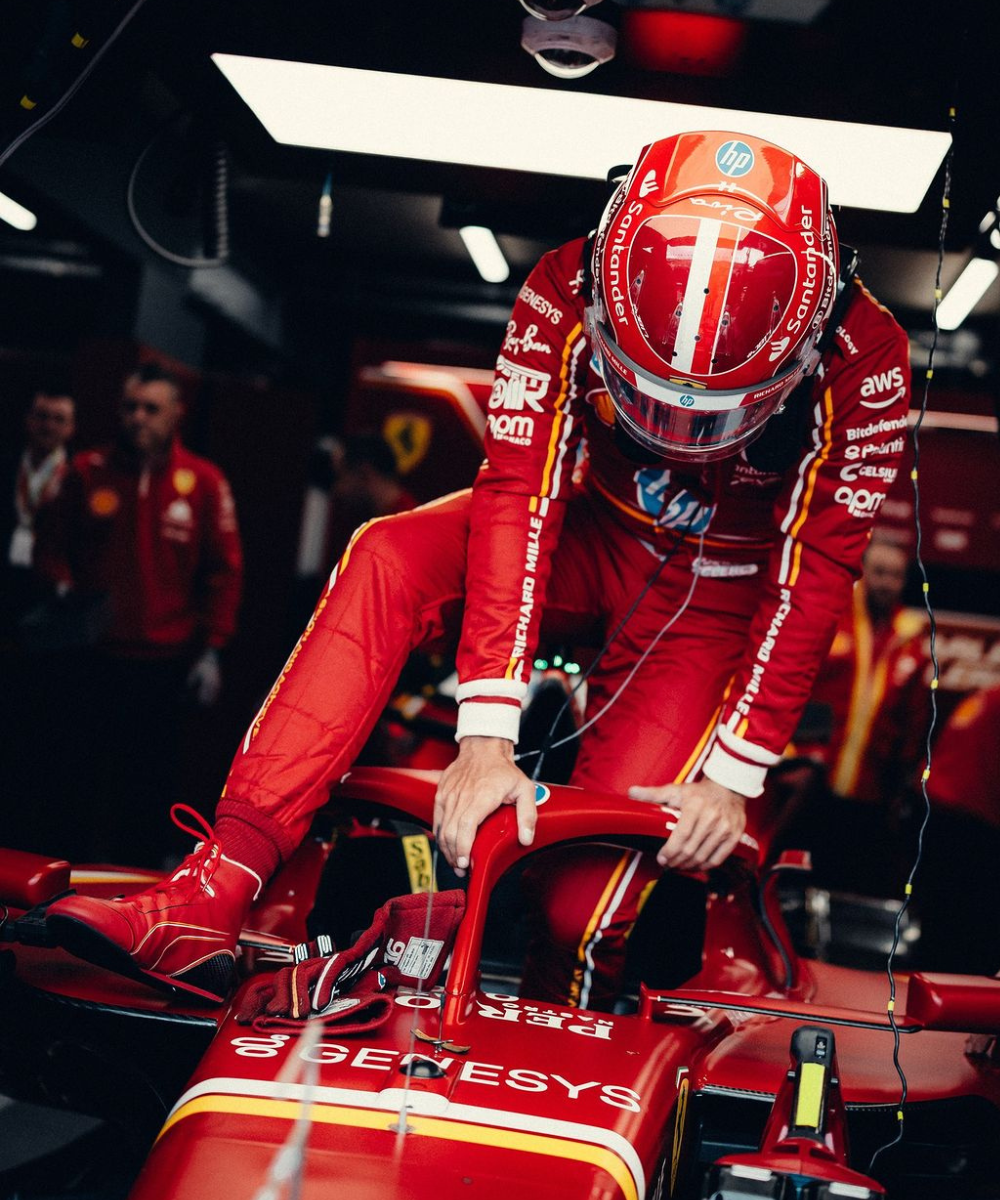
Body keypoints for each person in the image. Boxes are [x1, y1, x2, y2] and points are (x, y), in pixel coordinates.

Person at [45, 131, 911, 1009]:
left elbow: (815, 572)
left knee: (582, 914)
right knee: (387, 552)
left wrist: (733, 780)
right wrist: (485, 739)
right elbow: (516, 497)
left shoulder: (868, 361)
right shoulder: (563, 287)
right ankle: (213, 892)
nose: (674, 431)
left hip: (715, 600)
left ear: (803, 344)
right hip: (585, 533)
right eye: (643, 394)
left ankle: (556, 1024)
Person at [31, 361, 243, 866]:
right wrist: (62, 592)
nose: (137, 417)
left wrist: (212, 649)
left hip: (162, 664)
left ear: (176, 415)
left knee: (145, 791)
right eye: (130, 406)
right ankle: (56, 893)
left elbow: (224, 572)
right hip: (89, 655)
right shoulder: (85, 471)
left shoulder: (205, 483)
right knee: (72, 782)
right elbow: (49, 545)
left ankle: (133, 899)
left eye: (151, 408)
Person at [775, 533, 930, 895]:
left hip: (871, 795)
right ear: (862, 572)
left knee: (848, 887)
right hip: (808, 784)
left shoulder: (912, 639)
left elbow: (916, 724)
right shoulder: (832, 620)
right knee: (790, 883)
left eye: (895, 576)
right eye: (879, 572)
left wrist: (903, 788)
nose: (886, 583)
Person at [913, 684, 1000, 976]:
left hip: (938, 811)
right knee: (963, 942)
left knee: (939, 928)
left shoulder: (989, 694)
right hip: (970, 823)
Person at [0, 386, 76, 638]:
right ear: (28, 420)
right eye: (42, 416)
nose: (49, 426)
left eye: (59, 419)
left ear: (71, 428)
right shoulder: (5, 465)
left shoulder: (79, 477)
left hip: (50, 592)